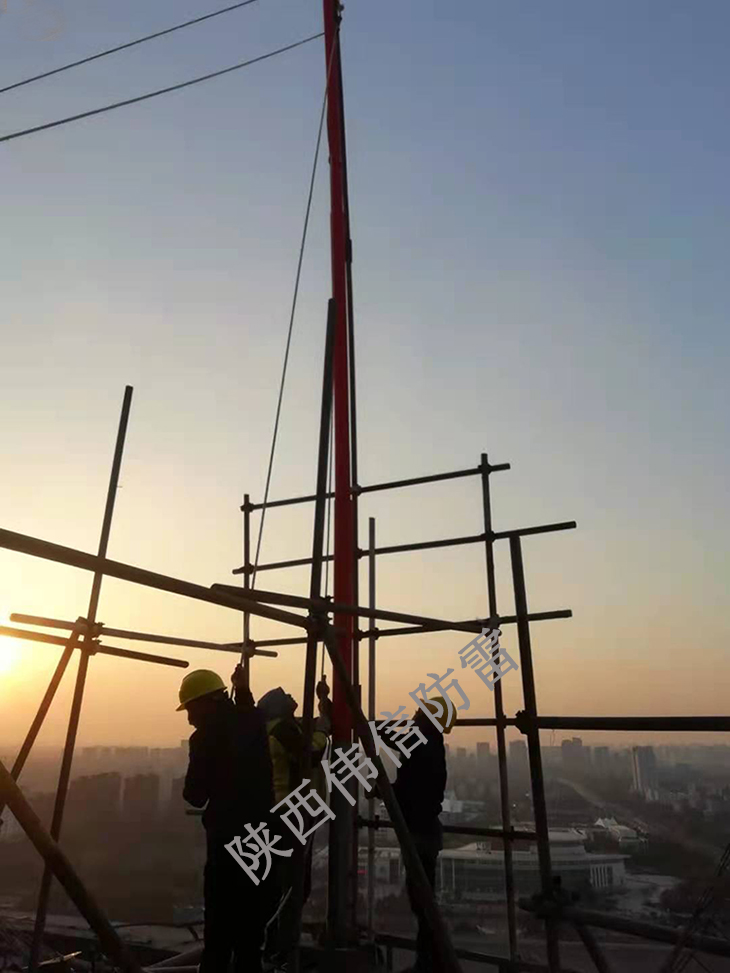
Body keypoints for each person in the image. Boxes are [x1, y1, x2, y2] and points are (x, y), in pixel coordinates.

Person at [180, 668, 275, 973]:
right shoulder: (253, 721)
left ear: (207, 702)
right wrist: (244, 688)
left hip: (227, 841)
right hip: (260, 837)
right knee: (250, 931)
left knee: (219, 933)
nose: (189, 718)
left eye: (192, 708)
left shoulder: (204, 737)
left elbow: (195, 795)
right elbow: (246, 712)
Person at [249, 676, 331, 965]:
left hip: (280, 813)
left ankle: (273, 941)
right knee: (293, 882)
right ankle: (279, 945)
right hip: (290, 815)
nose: (291, 697)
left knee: (281, 881)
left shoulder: (274, 729)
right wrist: (324, 728)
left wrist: (322, 704)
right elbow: (312, 753)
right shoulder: (283, 730)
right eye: (285, 697)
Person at [390, 696, 455, 973]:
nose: (414, 713)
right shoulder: (429, 743)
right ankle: (429, 961)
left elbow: (410, 788)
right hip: (422, 829)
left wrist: (368, 726)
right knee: (422, 900)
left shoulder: (424, 743)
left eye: (419, 711)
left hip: (420, 831)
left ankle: (431, 963)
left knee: (423, 902)